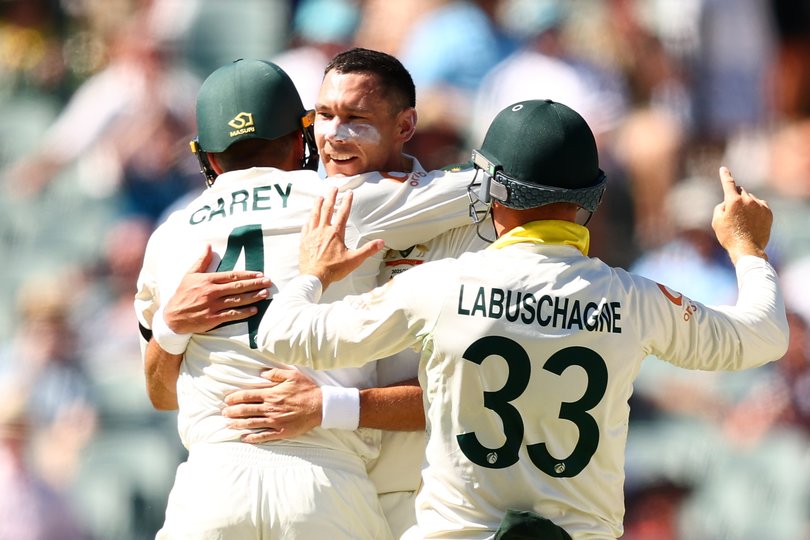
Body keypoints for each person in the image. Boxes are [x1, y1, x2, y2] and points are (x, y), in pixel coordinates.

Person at [251, 99, 789, 539]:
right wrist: (746, 247)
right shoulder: (635, 300)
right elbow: (763, 336)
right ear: (592, 198)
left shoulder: (441, 286)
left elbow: (283, 334)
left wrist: (312, 273)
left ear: (493, 191)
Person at [135, 55, 476, 538]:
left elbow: (162, 395)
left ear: (208, 157)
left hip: (208, 487)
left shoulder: (168, 238)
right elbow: (493, 189)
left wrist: (170, 327)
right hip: (324, 479)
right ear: (302, 138)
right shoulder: (343, 200)